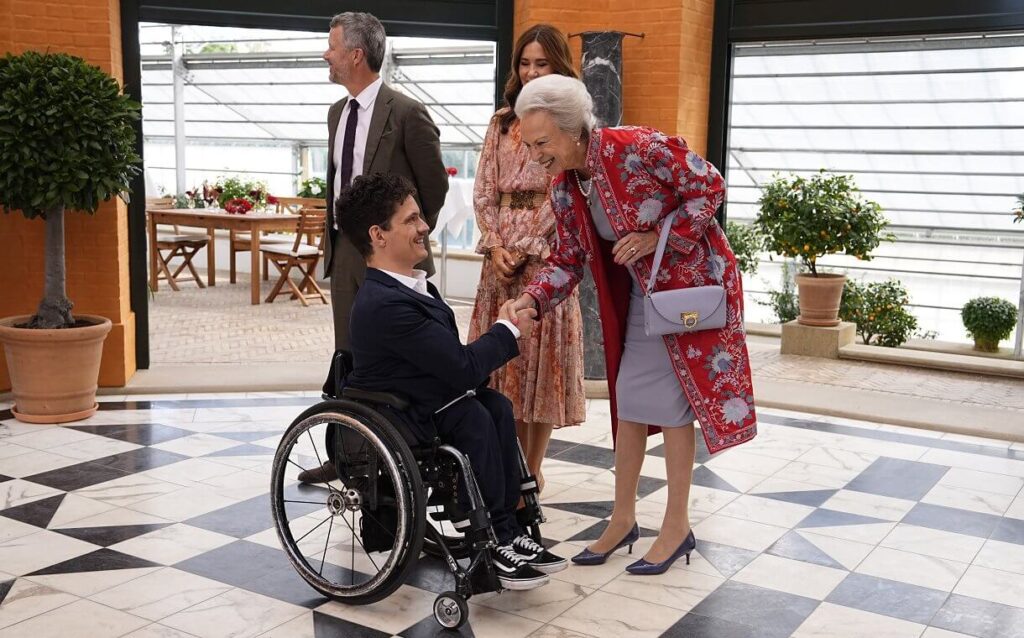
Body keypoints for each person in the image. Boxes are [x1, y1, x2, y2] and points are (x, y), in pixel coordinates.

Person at [508, 75, 758, 575]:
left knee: (670, 407)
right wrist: (532, 298)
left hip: (689, 295)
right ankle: (623, 519)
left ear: (573, 131)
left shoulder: (637, 148)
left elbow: (708, 186)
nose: (535, 155)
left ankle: (676, 526)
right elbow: (568, 258)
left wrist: (655, 236)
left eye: (542, 143)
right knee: (631, 401)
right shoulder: (565, 186)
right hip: (645, 301)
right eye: (529, 144)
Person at [338, 173, 567, 590]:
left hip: (427, 398)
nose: (424, 226)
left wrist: (503, 330)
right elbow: (461, 368)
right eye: (411, 220)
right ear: (379, 235)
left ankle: (508, 529)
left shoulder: (411, 288)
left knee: (496, 406)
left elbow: (450, 364)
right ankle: (491, 536)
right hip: (400, 413)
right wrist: (508, 329)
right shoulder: (385, 304)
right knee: (472, 416)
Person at [302, 12, 448, 483]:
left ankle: (396, 456)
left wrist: (406, 246)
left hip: (391, 256)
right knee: (349, 352)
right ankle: (349, 455)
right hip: (347, 251)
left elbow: (433, 189)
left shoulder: (406, 113)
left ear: (356, 54)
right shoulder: (335, 114)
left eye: (332, 45)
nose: (326, 54)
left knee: (396, 354)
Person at [469, 24, 585, 494]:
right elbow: (484, 189)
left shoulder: (571, 122)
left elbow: (565, 189)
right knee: (505, 372)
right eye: (525, 62)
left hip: (548, 258)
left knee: (541, 373)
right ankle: (507, 466)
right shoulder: (501, 123)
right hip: (499, 262)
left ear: (558, 67)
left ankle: (530, 473)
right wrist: (496, 244)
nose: (532, 71)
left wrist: (528, 245)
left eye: (542, 63)